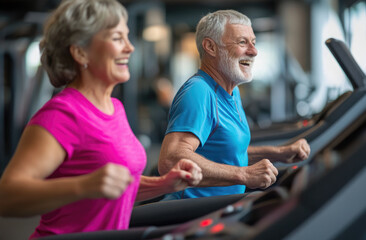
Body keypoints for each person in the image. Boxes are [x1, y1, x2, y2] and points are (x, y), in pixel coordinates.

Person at [0, 0, 202, 238]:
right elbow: (7, 197)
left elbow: (115, 186)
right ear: (80, 52)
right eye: (117, 38)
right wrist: (83, 185)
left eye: (127, 37)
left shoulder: (115, 107)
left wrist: (163, 184)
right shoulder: (62, 115)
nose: (130, 47)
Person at [158, 10, 310, 200]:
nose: (254, 51)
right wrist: (244, 175)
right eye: (242, 42)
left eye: (253, 42)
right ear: (211, 47)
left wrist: (278, 153)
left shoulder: (231, 91)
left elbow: (226, 152)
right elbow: (170, 160)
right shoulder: (199, 91)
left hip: (224, 207)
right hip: (192, 211)